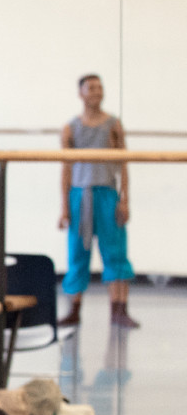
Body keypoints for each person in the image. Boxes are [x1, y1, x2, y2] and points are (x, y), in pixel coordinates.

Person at [58, 74, 137, 329]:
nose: (96, 92)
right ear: (80, 93)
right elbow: (66, 168)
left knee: (115, 251)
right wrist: (64, 207)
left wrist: (124, 198)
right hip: (80, 195)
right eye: (91, 87)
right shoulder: (71, 127)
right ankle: (74, 309)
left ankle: (119, 309)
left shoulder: (113, 124)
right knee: (77, 253)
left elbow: (124, 163)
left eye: (100, 87)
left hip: (106, 193)